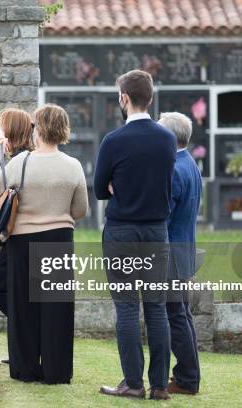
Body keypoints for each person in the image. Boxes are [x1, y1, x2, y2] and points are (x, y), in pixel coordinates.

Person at [0, 104, 88, 384]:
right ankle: (56, 371)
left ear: (37, 129)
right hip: (59, 240)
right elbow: (80, 211)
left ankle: (25, 368)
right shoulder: (73, 165)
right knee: (56, 309)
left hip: (23, 241)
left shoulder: (22, 162)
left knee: (23, 306)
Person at [95, 70, 176, 400]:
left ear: (124, 99)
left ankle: (132, 383)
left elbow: (100, 189)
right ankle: (159, 386)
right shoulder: (168, 139)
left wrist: (118, 186)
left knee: (127, 309)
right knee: (156, 308)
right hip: (158, 230)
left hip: (122, 231)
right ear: (151, 99)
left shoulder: (113, 141)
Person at [158, 112, 202, 395]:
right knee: (182, 314)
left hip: (170, 252)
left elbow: (164, 214)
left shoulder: (173, 169)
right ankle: (188, 375)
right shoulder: (191, 164)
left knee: (176, 315)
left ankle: (186, 379)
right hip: (183, 249)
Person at [0, 108, 36, 318]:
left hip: (21, 237)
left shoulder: (20, 160)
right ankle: (26, 323)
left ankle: (24, 323)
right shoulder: (29, 156)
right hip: (30, 237)